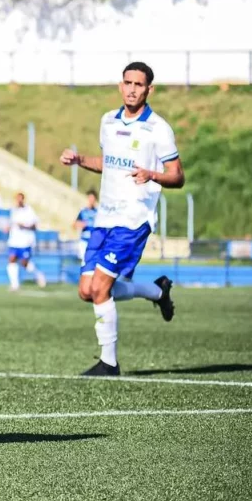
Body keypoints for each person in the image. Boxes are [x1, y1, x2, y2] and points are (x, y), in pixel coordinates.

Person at [60, 62, 181, 376]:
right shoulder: (108, 121)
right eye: (128, 83)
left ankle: (109, 363)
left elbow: (177, 176)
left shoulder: (158, 128)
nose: (132, 89)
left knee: (101, 288)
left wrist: (152, 174)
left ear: (149, 89)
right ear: (120, 85)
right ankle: (158, 291)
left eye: (139, 85)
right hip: (105, 218)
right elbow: (108, 162)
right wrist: (79, 160)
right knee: (87, 291)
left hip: (133, 220)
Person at [4, 192, 46, 291]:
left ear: (23, 199)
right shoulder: (13, 210)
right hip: (14, 240)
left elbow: (34, 225)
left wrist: (24, 226)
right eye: (17, 199)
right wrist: (8, 228)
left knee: (24, 263)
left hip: (25, 241)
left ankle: (38, 275)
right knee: (11, 259)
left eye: (20, 199)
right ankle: (15, 285)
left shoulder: (29, 210)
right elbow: (12, 223)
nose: (18, 201)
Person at [74, 190, 98, 264]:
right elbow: (74, 224)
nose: (91, 201)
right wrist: (81, 224)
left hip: (95, 241)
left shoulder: (98, 212)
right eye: (89, 198)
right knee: (84, 262)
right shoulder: (83, 211)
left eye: (92, 199)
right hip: (84, 241)